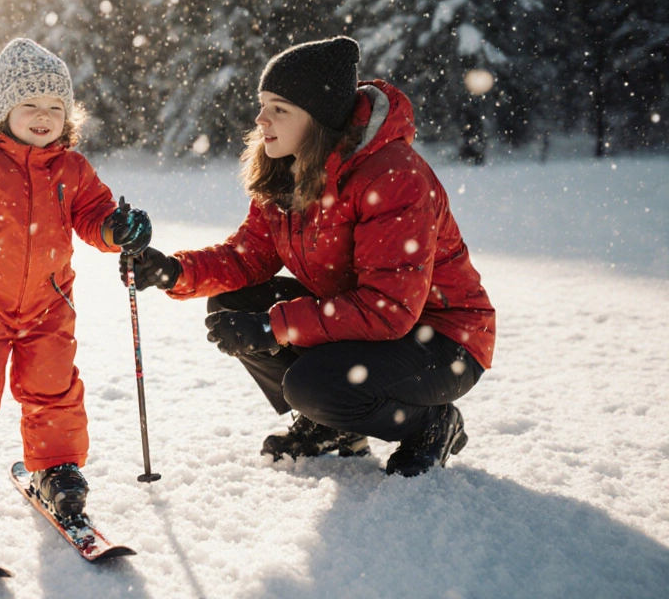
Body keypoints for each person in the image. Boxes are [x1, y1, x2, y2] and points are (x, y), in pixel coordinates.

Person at [128, 36, 495, 477]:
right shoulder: (290, 169)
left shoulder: (393, 175)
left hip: (442, 339)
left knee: (314, 385)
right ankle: (334, 427)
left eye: (279, 108)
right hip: (369, 327)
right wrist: (173, 270)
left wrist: (274, 326)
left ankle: (431, 425)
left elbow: (390, 308)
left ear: (319, 119)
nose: (261, 118)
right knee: (233, 301)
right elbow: (249, 257)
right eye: (262, 104)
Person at [0, 38, 153, 530]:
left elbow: (94, 215)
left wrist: (117, 228)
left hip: (49, 303)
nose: (44, 115)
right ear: (4, 110)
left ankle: (57, 469)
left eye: (55, 106)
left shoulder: (72, 168)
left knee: (54, 388)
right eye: (30, 104)